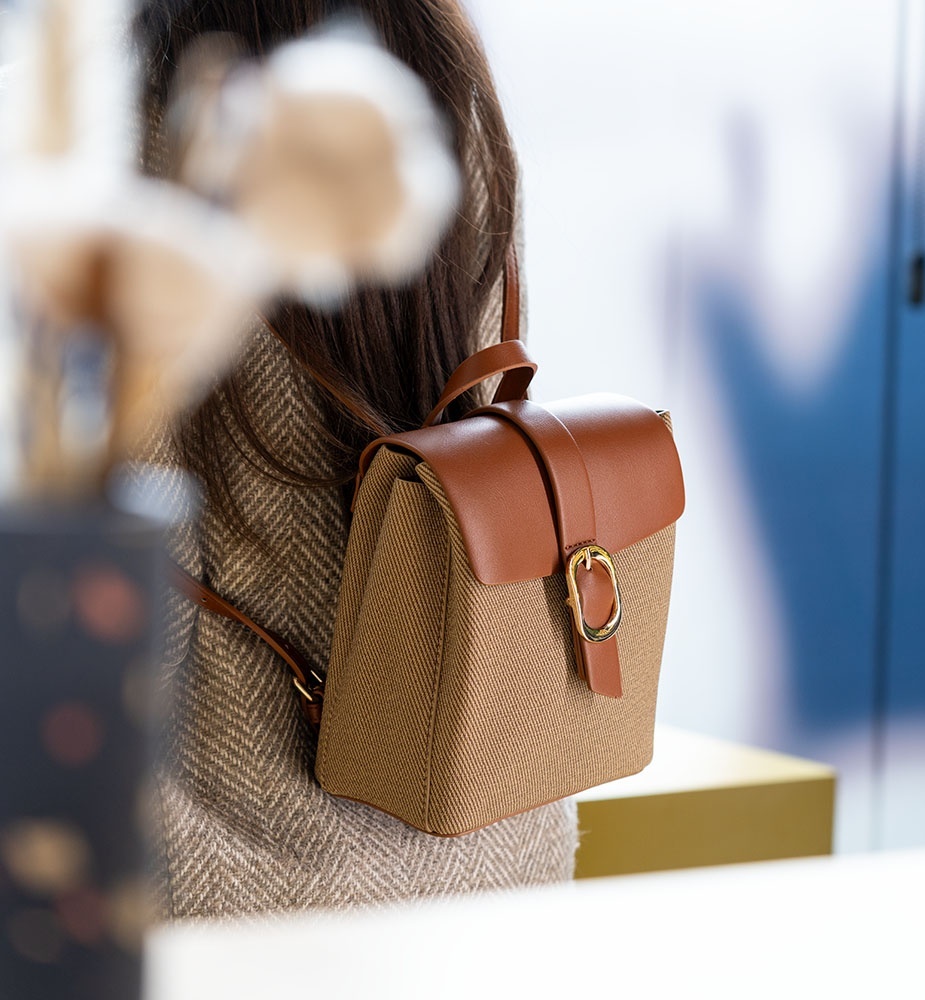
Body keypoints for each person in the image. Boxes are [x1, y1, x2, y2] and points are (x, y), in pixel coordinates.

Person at [131, 0, 579, 919]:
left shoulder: (143, 108)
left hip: (223, 873)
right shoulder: (439, 73)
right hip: (504, 837)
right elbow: (487, 410)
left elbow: (126, 576)